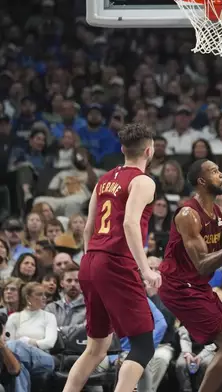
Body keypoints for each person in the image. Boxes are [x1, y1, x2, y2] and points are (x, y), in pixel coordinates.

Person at [62, 123, 162, 392]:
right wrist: (146, 270)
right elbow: (130, 224)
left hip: (91, 259)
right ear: (149, 151)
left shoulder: (104, 179)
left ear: (122, 149)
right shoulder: (143, 181)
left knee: (97, 346)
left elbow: (87, 227)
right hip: (115, 262)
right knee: (143, 345)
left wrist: (90, 260)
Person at [158, 158, 222, 392]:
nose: (221, 174)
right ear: (202, 181)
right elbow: (202, 264)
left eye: (220, 169)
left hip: (198, 286)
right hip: (178, 287)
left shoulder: (220, 212)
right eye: (214, 171)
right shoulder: (188, 214)